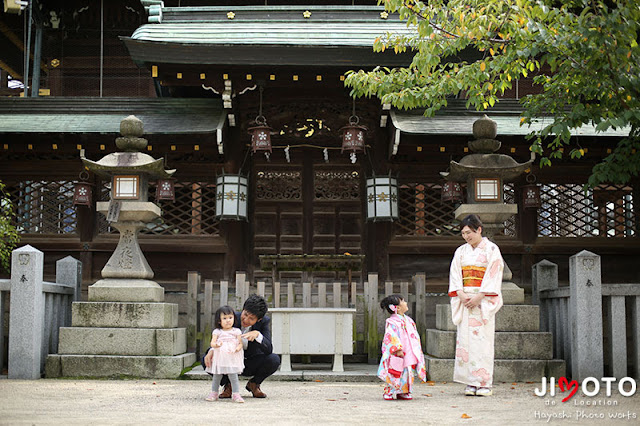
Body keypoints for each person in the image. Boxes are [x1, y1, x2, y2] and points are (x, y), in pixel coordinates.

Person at [448, 214, 504, 397]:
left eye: (469, 232)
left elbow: (494, 274)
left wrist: (480, 296)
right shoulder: (461, 252)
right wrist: (462, 294)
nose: (466, 237)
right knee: (465, 342)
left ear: (479, 229)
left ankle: (484, 382)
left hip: (482, 302)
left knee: (483, 343)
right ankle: (470, 382)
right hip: (465, 301)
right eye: (463, 233)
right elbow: (455, 275)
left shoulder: (491, 249)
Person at [202, 294, 280, 398]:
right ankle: (228, 385)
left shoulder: (264, 322)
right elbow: (218, 340)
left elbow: (269, 349)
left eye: (251, 318)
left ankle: (254, 384)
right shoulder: (230, 318)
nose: (246, 320)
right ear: (243, 309)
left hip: (250, 362)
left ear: (259, 319)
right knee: (206, 358)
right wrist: (211, 351)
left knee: (274, 359)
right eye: (245, 314)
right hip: (229, 361)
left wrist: (257, 335)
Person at [377, 294, 427, 401]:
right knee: (395, 372)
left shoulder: (408, 320)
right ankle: (389, 391)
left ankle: (404, 391)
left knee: (408, 372)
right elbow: (391, 336)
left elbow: (414, 335)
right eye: (403, 301)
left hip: (409, 350)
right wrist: (397, 349)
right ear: (398, 308)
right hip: (398, 352)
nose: (406, 303)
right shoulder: (392, 322)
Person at [205, 305, 245, 403]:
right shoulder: (217, 332)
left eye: (230, 318)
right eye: (224, 318)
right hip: (220, 356)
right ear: (219, 321)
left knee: (233, 375)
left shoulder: (236, 331)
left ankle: (236, 394)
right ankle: (214, 392)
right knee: (217, 375)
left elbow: (240, 343)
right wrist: (217, 345)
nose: (228, 320)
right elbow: (212, 343)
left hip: (232, 356)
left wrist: (237, 348)